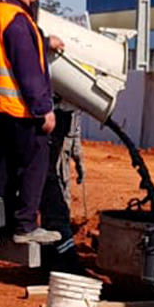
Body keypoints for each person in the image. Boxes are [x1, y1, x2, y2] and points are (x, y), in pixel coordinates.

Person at [0, 0, 65, 245]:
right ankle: (26, 225)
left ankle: (0, 225)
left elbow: (10, 48)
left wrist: (43, 42)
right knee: (34, 164)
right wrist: (44, 110)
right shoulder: (18, 22)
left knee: (6, 165)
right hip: (20, 108)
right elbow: (28, 71)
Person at [39, 98, 87, 272]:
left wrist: (78, 158)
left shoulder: (71, 106)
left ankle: (50, 259)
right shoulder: (52, 105)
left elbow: (74, 132)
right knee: (55, 211)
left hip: (62, 165)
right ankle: (64, 262)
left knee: (58, 211)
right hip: (50, 164)